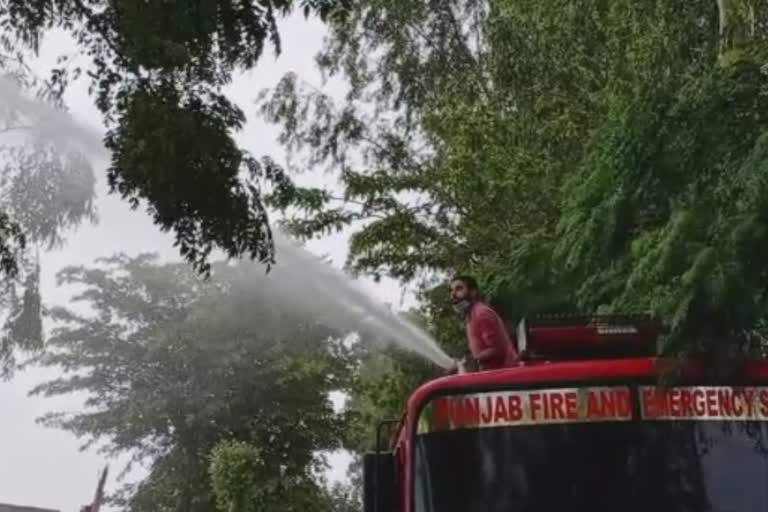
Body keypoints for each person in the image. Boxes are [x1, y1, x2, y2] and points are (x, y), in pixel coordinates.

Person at [449, 275, 518, 371]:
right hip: (493, 373)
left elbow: (497, 350)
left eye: (459, 289)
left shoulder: (481, 314)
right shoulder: (471, 315)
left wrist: (473, 361)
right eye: (451, 290)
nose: (453, 294)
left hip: (503, 375)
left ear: (473, 292)